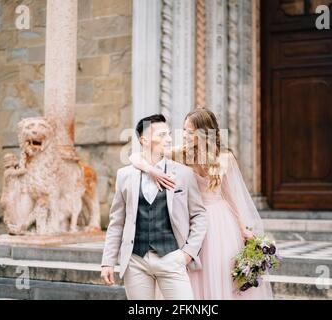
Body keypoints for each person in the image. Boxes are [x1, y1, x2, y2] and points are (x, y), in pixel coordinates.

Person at [129, 109, 273, 299]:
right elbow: (135, 157)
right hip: (191, 221)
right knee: (191, 274)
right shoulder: (181, 154)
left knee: (219, 273)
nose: (185, 135)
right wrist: (151, 170)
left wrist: (243, 228)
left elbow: (230, 198)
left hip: (221, 223)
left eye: (190, 131)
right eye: (184, 130)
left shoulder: (225, 158)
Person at [100, 114, 208, 300]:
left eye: (169, 134)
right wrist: (107, 262)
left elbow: (199, 215)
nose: (169, 139)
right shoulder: (124, 175)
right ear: (144, 140)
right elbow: (116, 222)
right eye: (162, 135)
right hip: (135, 261)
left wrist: (188, 253)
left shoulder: (183, 174)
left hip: (172, 258)